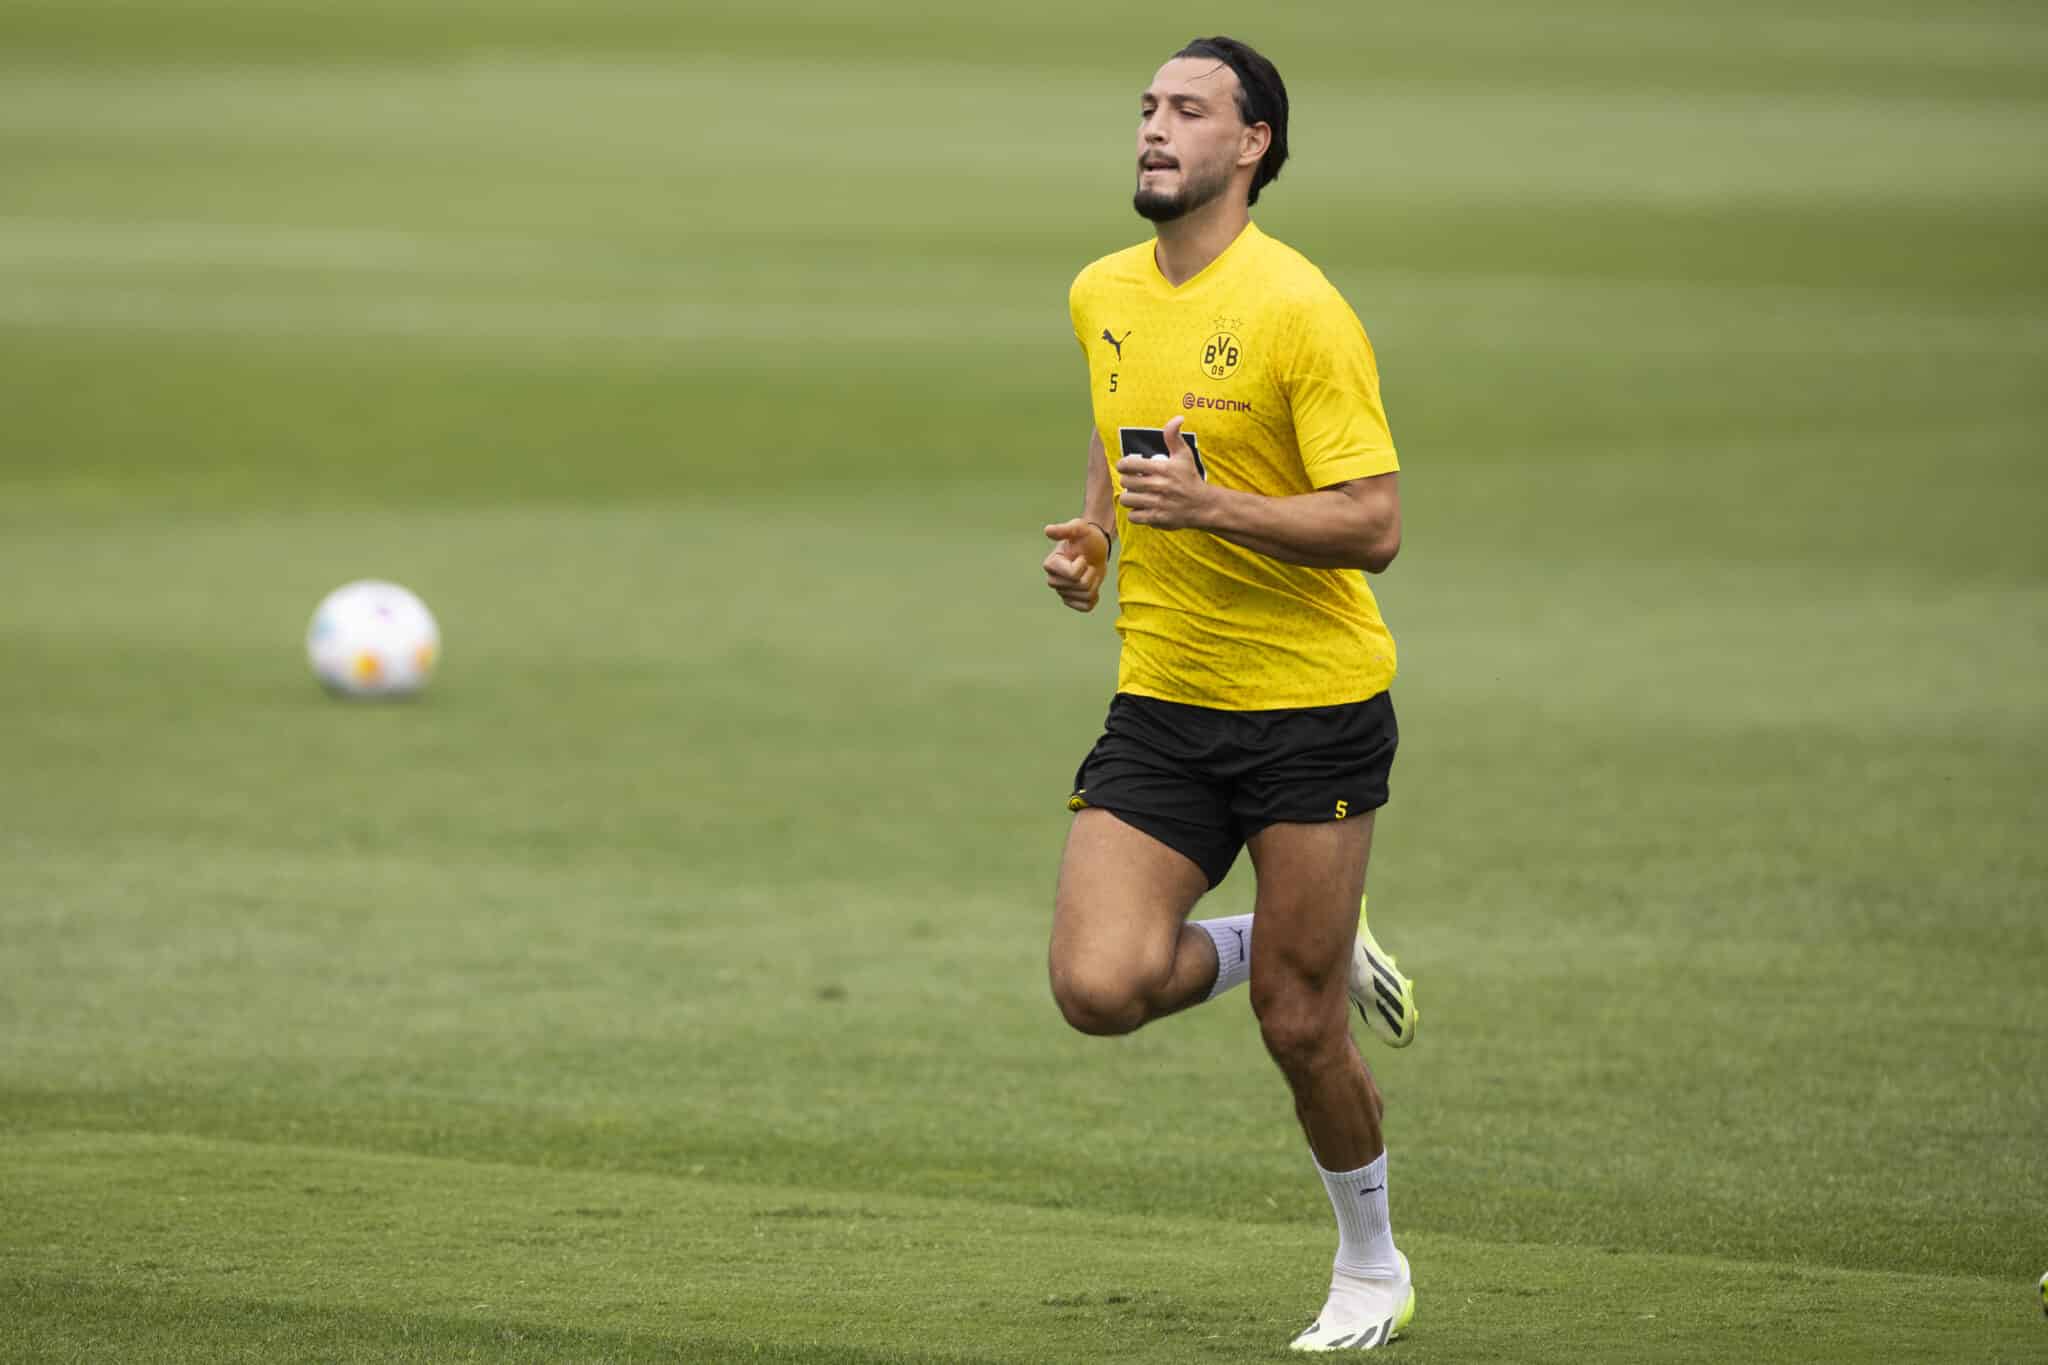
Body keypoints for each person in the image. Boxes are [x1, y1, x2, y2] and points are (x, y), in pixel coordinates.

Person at [1040, 35, 1422, 1353]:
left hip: (1312, 707)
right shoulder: (1102, 288)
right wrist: (1098, 531)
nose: (1155, 127)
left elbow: (1373, 523)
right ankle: (1283, 929)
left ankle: (1372, 1262)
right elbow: (1119, 405)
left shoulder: (1299, 308)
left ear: (1250, 144)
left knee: (1300, 1026)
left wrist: (1212, 507)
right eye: (1147, 107)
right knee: (1096, 984)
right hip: (1164, 699)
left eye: (1188, 110)